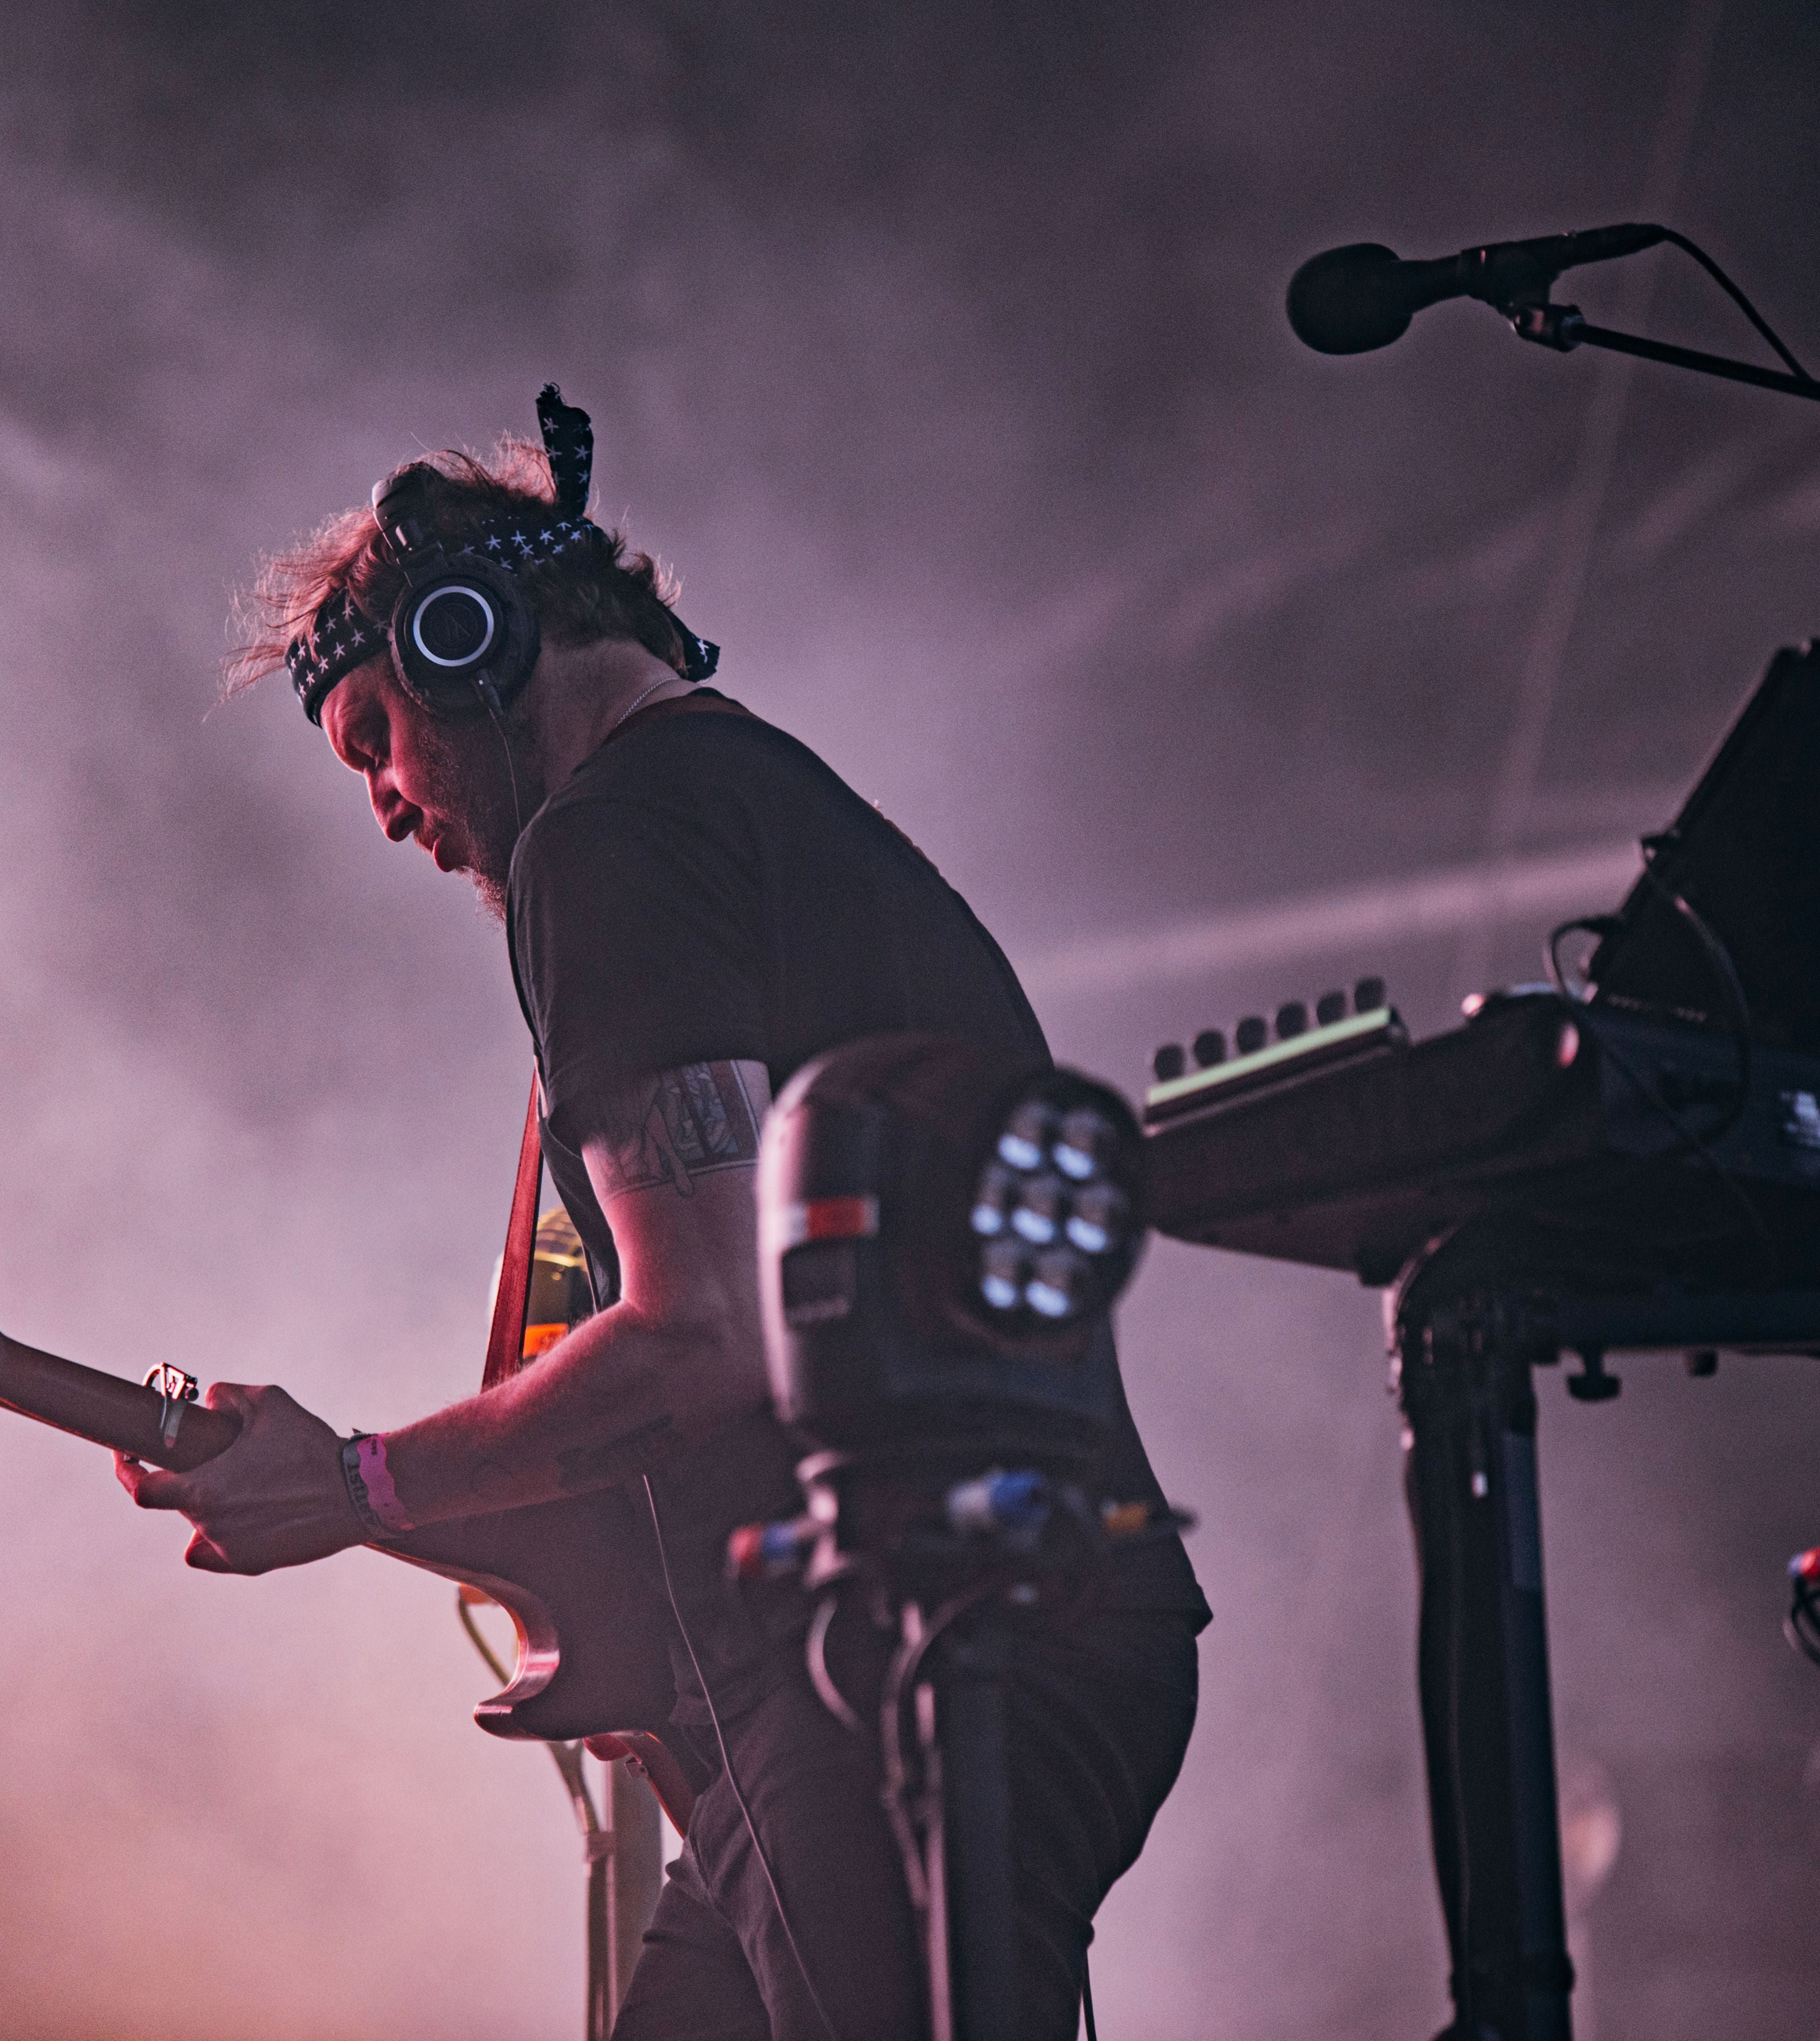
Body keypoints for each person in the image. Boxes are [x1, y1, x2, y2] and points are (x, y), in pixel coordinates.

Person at [118, 391, 1206, 2039]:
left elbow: (702, 1335)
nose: (385, 810)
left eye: (372, 745)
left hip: (878, 1681)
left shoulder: (607, 844)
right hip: (1005, 1633)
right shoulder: (775, 815)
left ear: (467, 644)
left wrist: (357, 1481)